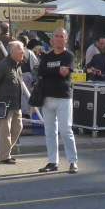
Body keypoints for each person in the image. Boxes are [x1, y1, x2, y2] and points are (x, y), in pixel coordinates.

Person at [37, 28, 79, 174]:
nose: (59, 39)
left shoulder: (69, 55)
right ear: (52, 39)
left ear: (66, 40)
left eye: (62, 36)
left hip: (63, 98)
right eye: (57, 36)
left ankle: (73, 161)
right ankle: (52, 162)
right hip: (47, 98)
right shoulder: (47, 56)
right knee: (50, 132)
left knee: (66, 131)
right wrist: (56, 70)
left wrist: (50, 72)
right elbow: (40, 71)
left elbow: (65, 72)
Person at [0, 40, 25, 164]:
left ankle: (3, 150)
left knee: (18, 128)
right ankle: (4, 156)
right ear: (12, 52)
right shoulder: (2, 66)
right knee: (5, 131)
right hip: (5, 104)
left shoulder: (17, 66)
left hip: (16, 104)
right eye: (21, 50)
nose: (23, 52)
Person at [18, 35, 39, 116]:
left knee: (23, 94)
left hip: (22, 74)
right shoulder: (29, 52)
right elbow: (36, 64)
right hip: (29, 75)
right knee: (27, 94)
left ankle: (25, 112)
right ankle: (26, 110)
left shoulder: (18, 51)